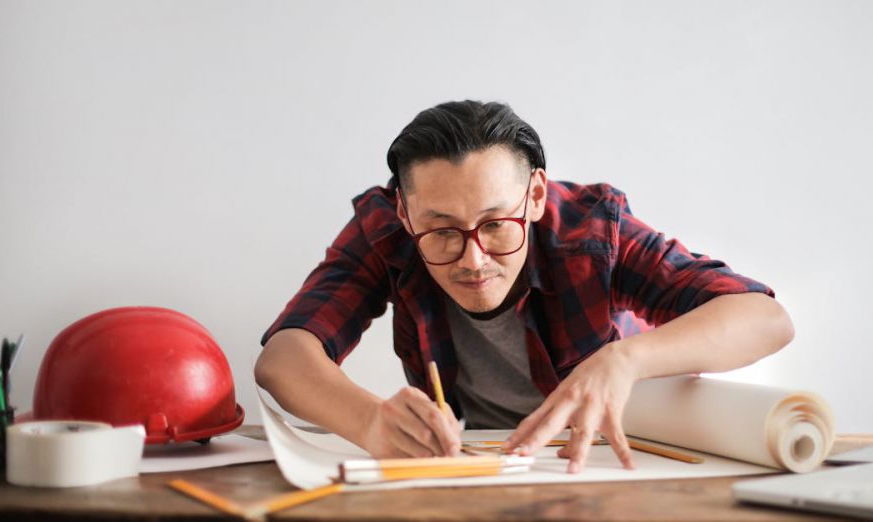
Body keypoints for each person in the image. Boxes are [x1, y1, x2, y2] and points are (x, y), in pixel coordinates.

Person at [254, 100, 794, 474]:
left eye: (495, 224)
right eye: (442, 230)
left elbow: (765, 318)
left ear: (535, 195)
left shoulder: (590, 231)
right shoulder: (385, 231)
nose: (473, 260)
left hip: (604, 460)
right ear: (405, 210)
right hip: (475, 465)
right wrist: (369, 420)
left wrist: (624, 361)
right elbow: (284, 357)